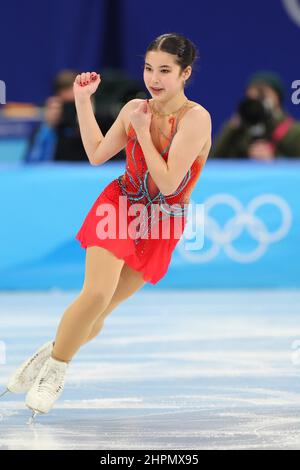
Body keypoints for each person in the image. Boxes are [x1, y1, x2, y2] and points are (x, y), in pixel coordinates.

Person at [1, 33, 212, 420]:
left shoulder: (196, 119)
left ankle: (50, 352)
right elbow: (97, 154)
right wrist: (83, 102)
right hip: (120, 206)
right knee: (95, 295)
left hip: (161, 223)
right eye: (149, 68)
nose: (154, 78)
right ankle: (56, 372)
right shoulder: (135, 108)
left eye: (165, 70)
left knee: (98, 317)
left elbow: (167, 182)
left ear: (185, 73)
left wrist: (143, 132)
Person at [210, 71, 300, 160]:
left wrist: (275, 160)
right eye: (250, 97)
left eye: (261, 94)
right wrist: (231, 129)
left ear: (277, 97)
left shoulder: (294, 132)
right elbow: (213, 164)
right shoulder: (239, 131)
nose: (255, 99)